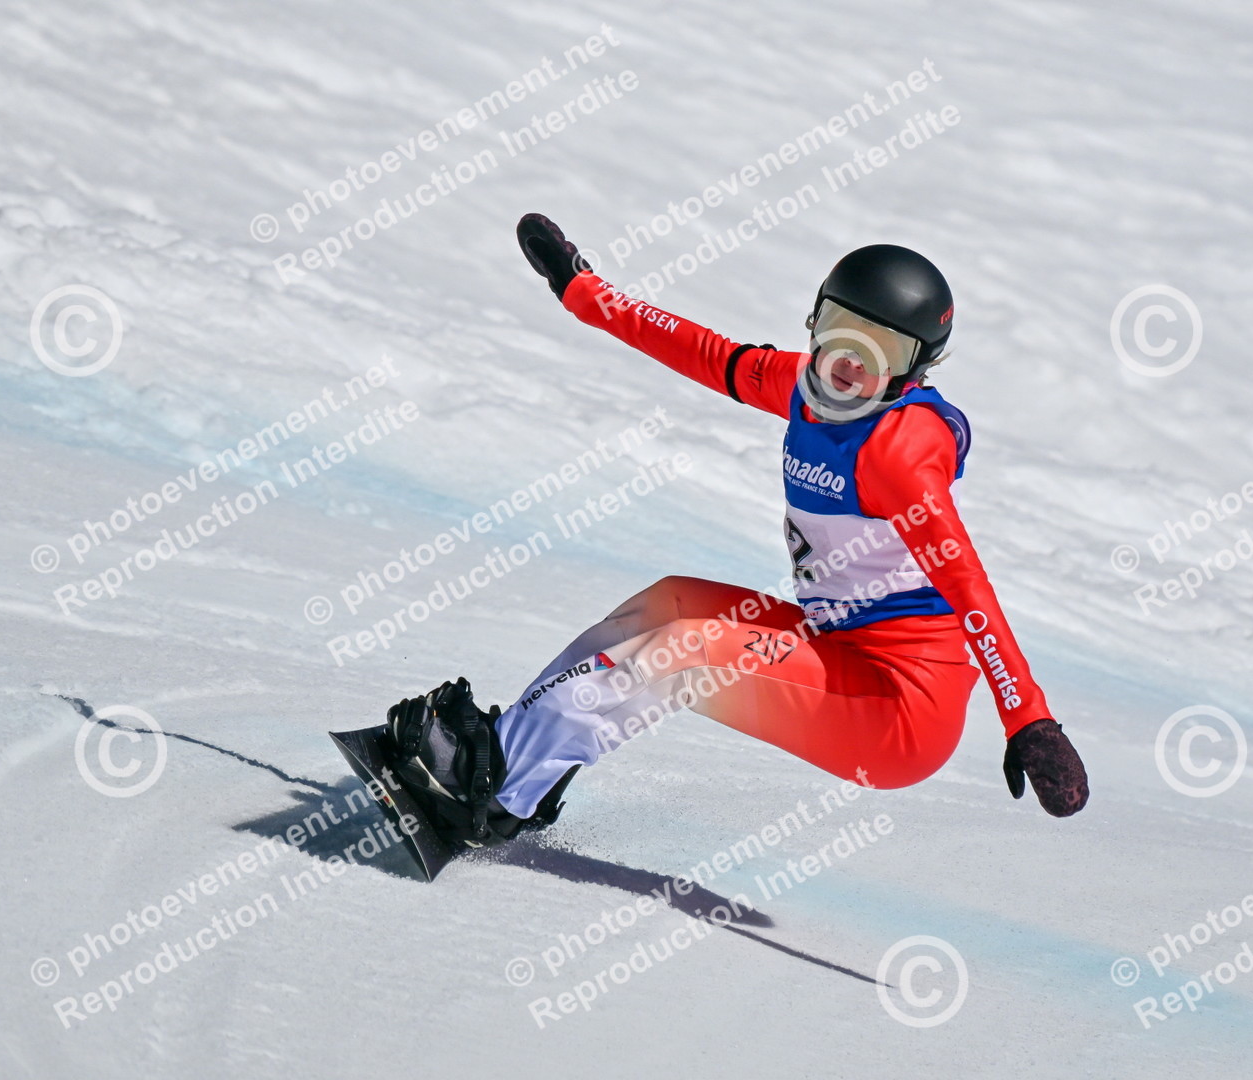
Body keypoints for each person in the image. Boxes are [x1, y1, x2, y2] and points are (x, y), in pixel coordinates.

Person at [379, 213, 1089, 850]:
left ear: (915, 369)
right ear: (814, 320)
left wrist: (1028, 720)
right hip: (841, 653)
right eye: (842, 329)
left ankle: (491, 793)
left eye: (883, 350)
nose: (851, 362)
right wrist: (584, 292)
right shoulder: (807, 388)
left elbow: (966, 583)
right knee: (671, 603)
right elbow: (705, 352)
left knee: (686, 651)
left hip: (897, 712)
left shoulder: (898, 453)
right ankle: (514, 760)